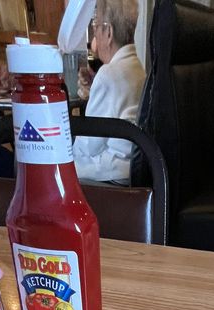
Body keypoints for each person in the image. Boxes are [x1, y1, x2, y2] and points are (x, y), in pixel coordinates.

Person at [73, 0, 145, 184]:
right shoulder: (139, 67)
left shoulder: (108, 74)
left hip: (111, 175)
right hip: (134, 169)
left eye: (96, 27)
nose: (95, 34)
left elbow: (89, 146)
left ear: (109, 32)